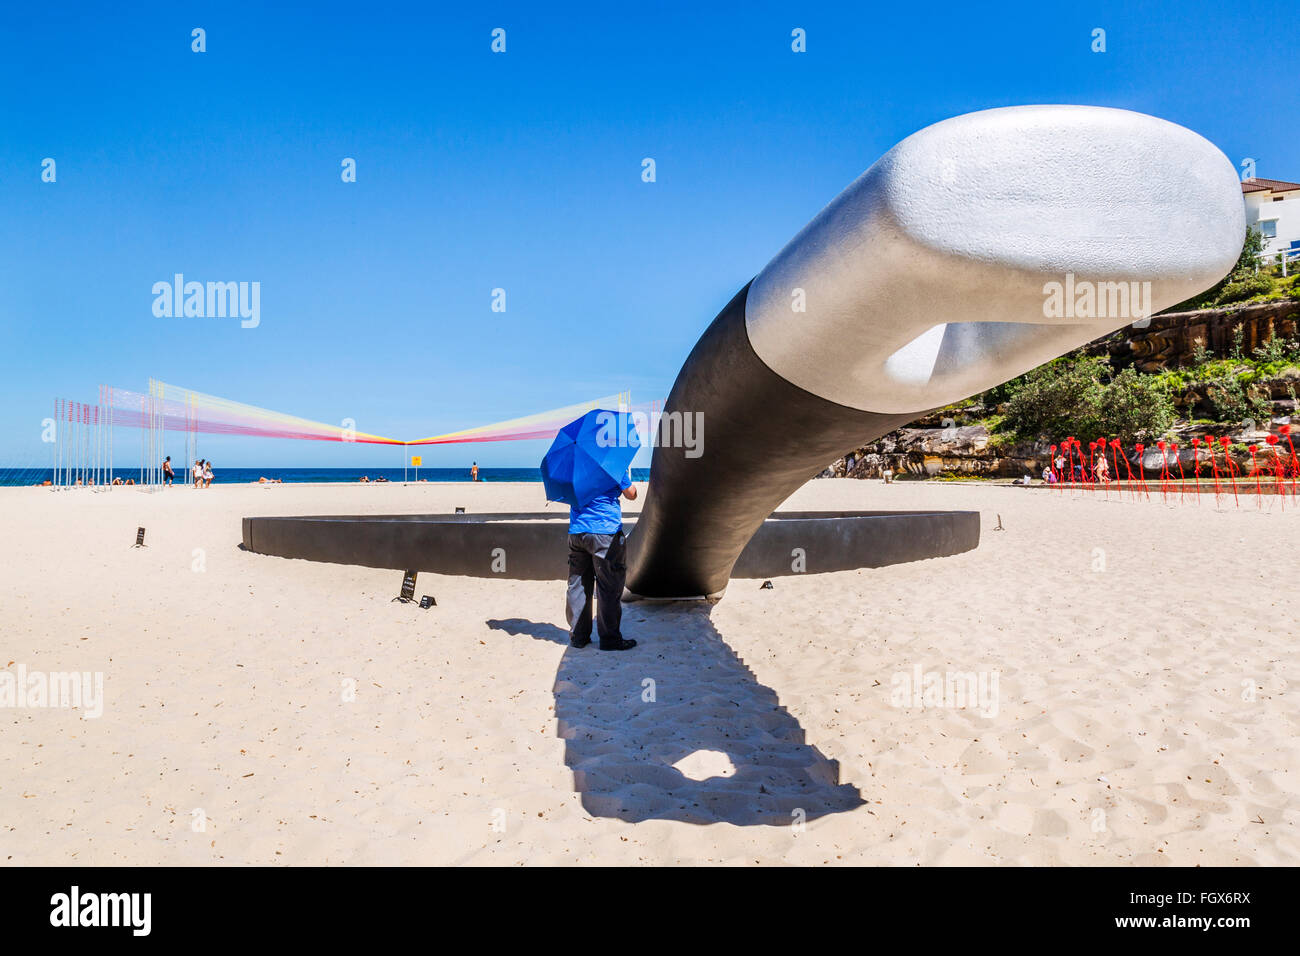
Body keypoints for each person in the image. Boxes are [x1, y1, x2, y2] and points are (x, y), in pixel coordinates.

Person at [566, 470, 637, 651]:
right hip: (605, 531)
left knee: (578, 585)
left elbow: (567, 493)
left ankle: (579, 637)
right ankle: (610, 639)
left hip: (577, 530)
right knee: (609, 585)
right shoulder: (612, 463)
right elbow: (631, 494)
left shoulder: (574, 464)